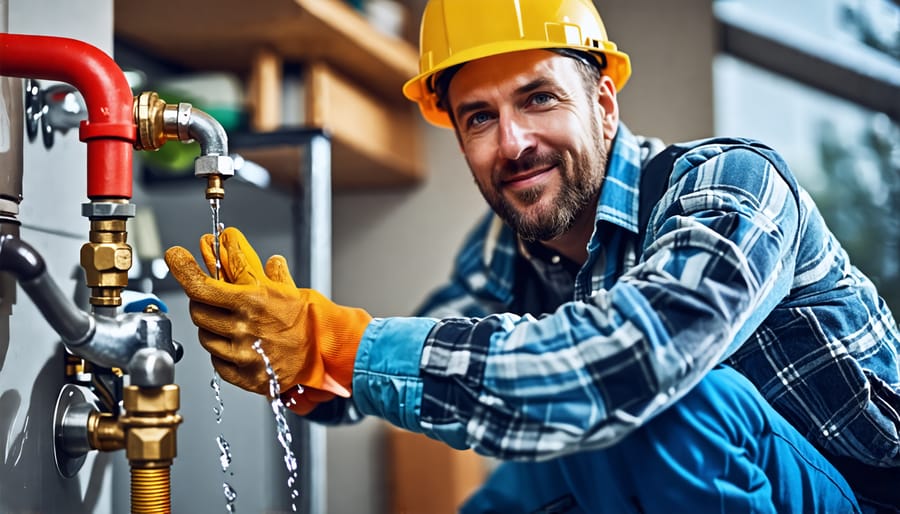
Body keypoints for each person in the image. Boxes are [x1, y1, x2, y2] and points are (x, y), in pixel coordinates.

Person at [163, 0, 900, 512]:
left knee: (663, 408)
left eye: (539, 98)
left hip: (859, 496)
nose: (512, 143)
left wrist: (342, 345)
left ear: (604, 104)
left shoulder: (732, 184)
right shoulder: (502, 254)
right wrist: (303, 362)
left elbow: (628, 364)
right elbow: (409, 361)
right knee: (508, 497)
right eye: (479, 116)